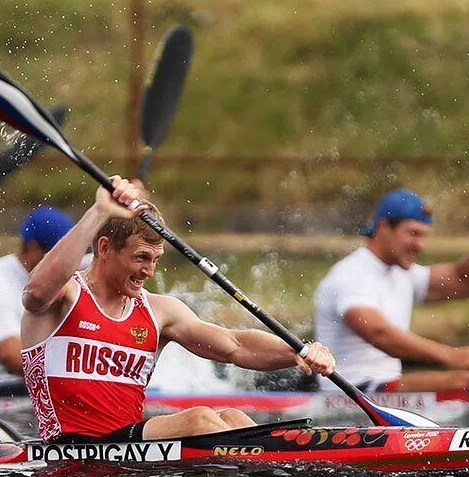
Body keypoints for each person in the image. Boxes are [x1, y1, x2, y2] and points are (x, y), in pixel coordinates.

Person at [21, 178, 335, 443]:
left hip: (125, 455)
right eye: (141, 257)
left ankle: (278, 475)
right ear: (104, 248)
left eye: (156, 260)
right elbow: (35, 293)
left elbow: (235, 345)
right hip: (70, 448)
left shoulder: (160, 311)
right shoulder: (64, 297)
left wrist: (298, 351)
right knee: (200, 420)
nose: (149, 271)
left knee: (233, 417)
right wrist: (99, 211)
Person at [313, 188, 469, 393]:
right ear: (384, 228)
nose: (420, 245)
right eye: (413, 233)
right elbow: (377, 332)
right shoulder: (351, 274)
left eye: (423, 236)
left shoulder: (404, 274)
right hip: (348, 390)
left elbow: (463, 282)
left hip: (381, 387)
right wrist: (450, 355)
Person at [0, 206, 75, 399]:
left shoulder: (65, 267)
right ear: (34, 250)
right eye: (64, 254)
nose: (72, 262)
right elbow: (13, 359)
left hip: (32, 389)